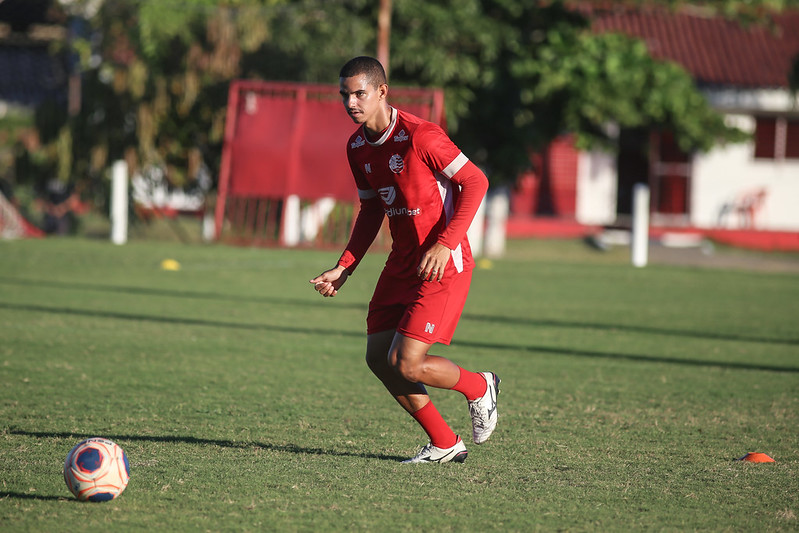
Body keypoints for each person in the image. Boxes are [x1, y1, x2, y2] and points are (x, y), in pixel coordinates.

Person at [310, 56, 499, 464]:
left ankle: (479, 387)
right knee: (379, 357)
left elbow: (476, 181)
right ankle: (445, 443)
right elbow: (371, 210)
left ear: (382, 91)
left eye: (359, 93)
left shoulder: (421, 136)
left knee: (407, 362)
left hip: (442, 263)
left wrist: (446, 242)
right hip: (401, 263)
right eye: (345, 95)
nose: (351, 103)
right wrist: (345, 265)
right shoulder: (357, 147)